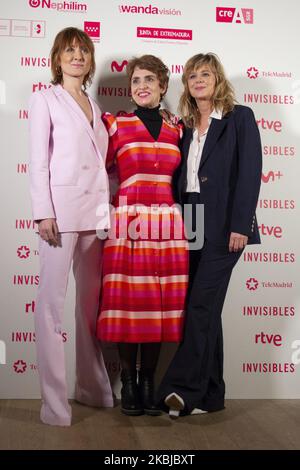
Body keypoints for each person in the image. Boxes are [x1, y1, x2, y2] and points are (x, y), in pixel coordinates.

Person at [157, 53, 262, 418]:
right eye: (191, 76)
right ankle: (212, 394)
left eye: (206, 74)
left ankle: (180, 391)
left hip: (225, 225)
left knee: (201, 304)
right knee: (207, 310)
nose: (198, 80)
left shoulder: (239, 118)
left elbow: (250, 172)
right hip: (190, 222)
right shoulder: (184, 124)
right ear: (185, 84)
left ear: (217, 79)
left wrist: (240, 224)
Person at [28, 27, 114, 426]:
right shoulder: (44, 99)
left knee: (88, 307)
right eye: (69, 51)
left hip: (95, 217)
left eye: (83, 50)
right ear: (57, 58)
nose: (77, 56)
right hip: (59, 216)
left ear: (90, 59)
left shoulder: (96, 107)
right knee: (49, 308)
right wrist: (43, 212)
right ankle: (53, 404)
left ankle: (91, 388)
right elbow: (38, 162)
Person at [96, 55, 189, 416]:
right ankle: (130, 386)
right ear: (129, 87)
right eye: (136, 81)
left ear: (163, 86)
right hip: (128, 224)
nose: (142, 86)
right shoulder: (115, 125)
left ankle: (149, 381)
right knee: (127, 304)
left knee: (158, 305)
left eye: (150, 79)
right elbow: (95, 171)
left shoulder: (176, 129)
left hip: (168, 226)